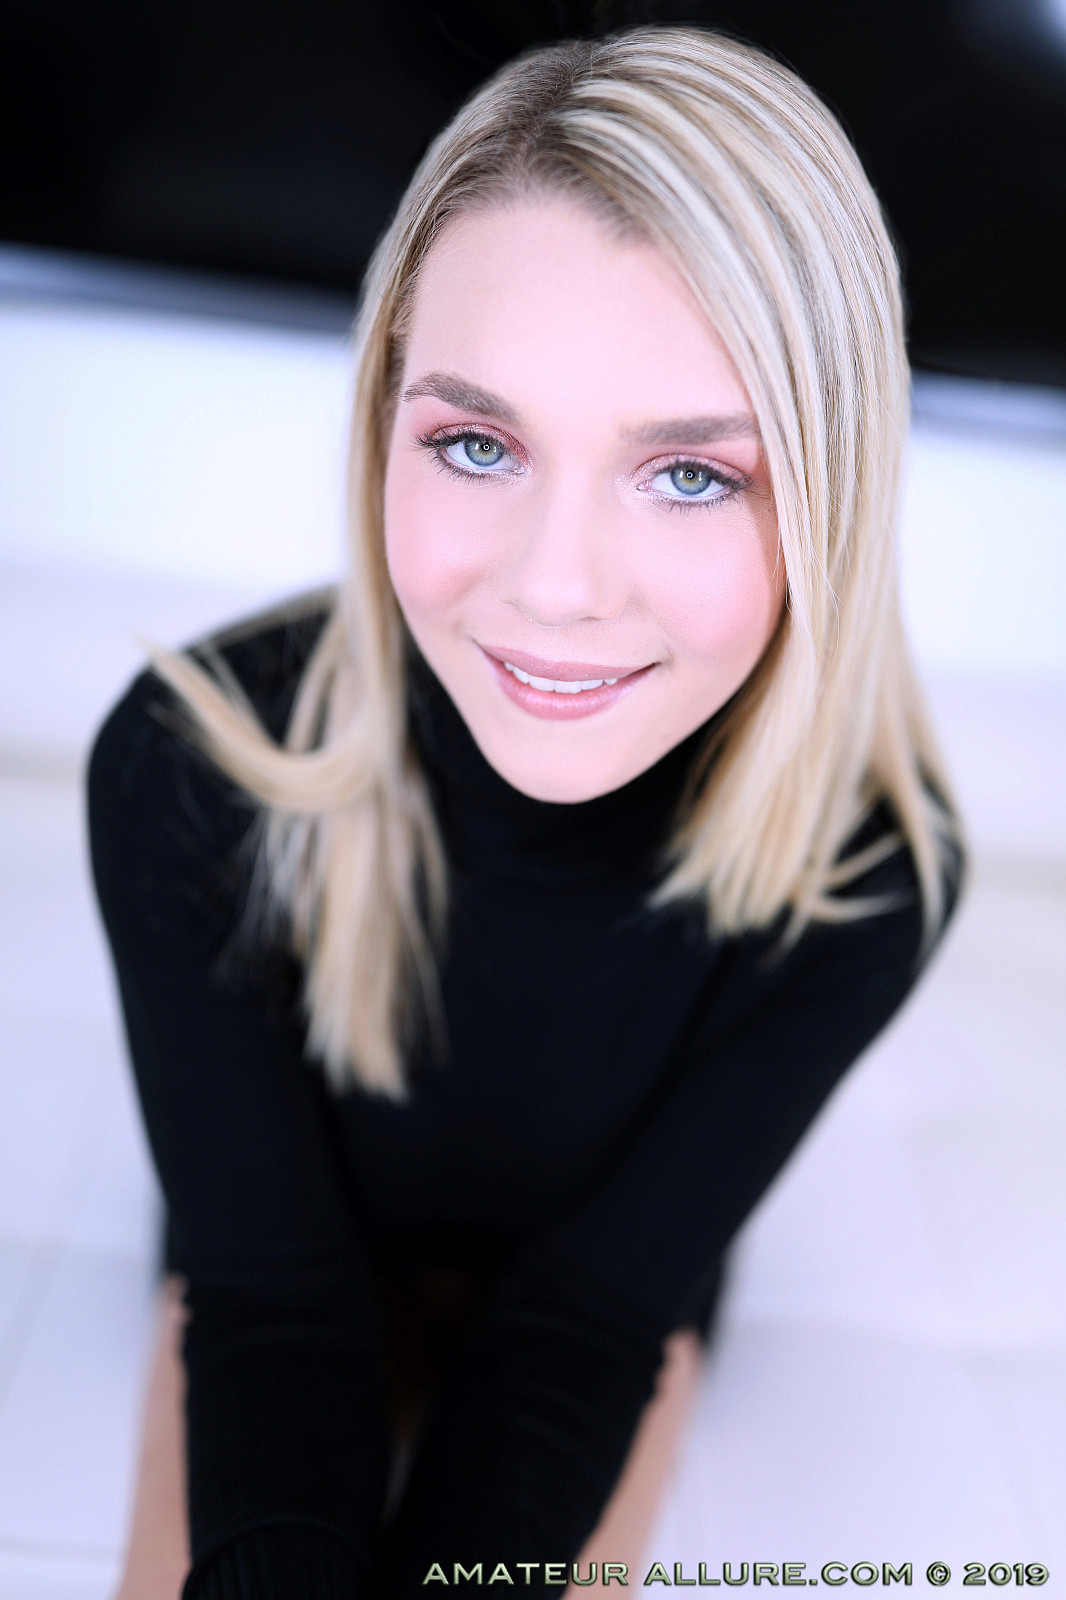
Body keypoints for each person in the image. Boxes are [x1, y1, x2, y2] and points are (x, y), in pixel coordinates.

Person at [88, 24, 965, 1600]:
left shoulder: (870, 875)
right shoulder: (189, 766)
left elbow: (590, 1321)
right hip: (273, 1259)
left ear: (828, 497)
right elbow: (270, 1292)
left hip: (605, 1306)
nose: (555, 588)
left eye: (690, 474)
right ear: (384, 430)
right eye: (476, 444)